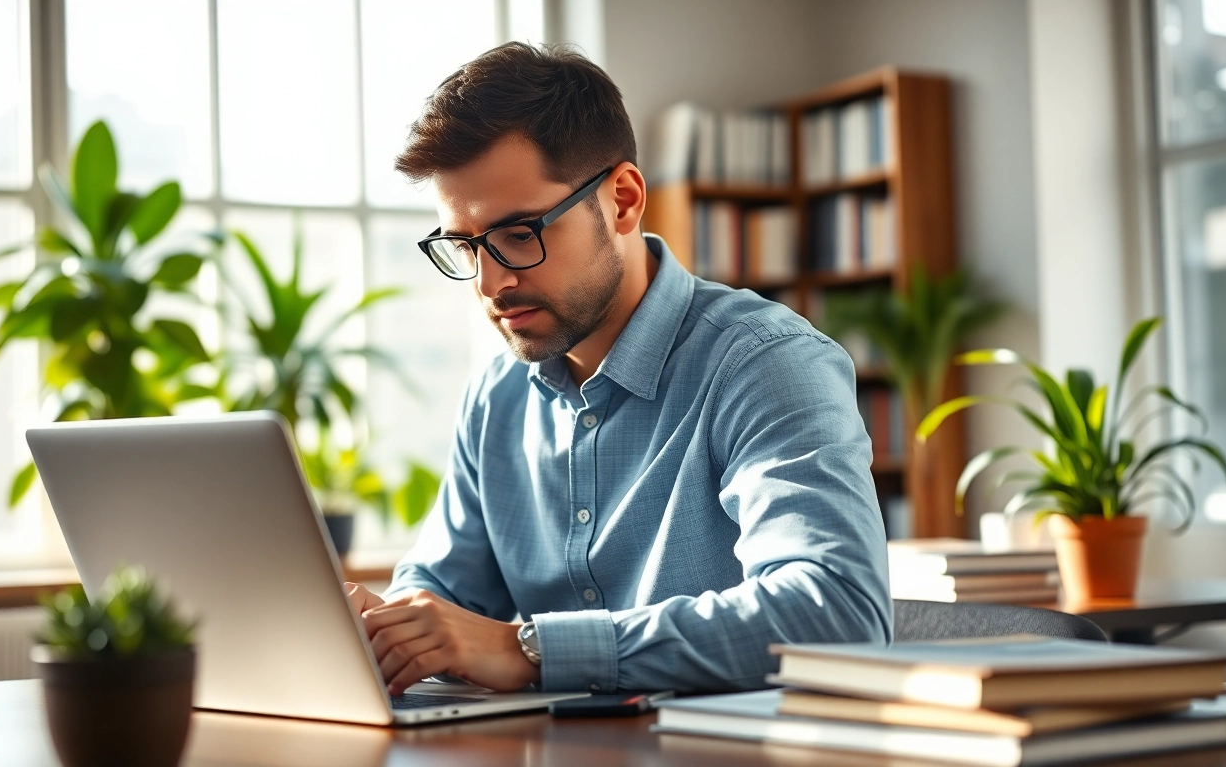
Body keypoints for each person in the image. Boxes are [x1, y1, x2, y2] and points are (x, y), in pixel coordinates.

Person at [345, 42, 891, 696]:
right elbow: (442, 591)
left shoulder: (765, 364)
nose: (491, 282)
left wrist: (533, 651)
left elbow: (836, 613)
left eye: (520, 234)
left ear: (624, 201)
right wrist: (387, 628)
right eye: (464, 246)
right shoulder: (497, 397)